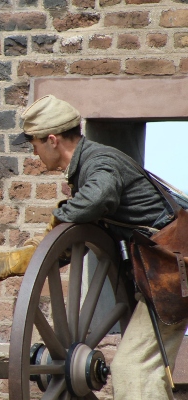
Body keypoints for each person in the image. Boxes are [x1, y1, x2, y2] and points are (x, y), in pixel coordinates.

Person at [12, 95, 188, 399]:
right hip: (162, 273)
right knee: (149, 369)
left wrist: (58, 219)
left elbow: (98, 198)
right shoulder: (90, 164)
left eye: (34, 144)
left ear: (52, 140)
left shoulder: (99, 162)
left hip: (172, 272)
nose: (33, 152)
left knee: (133, 368)